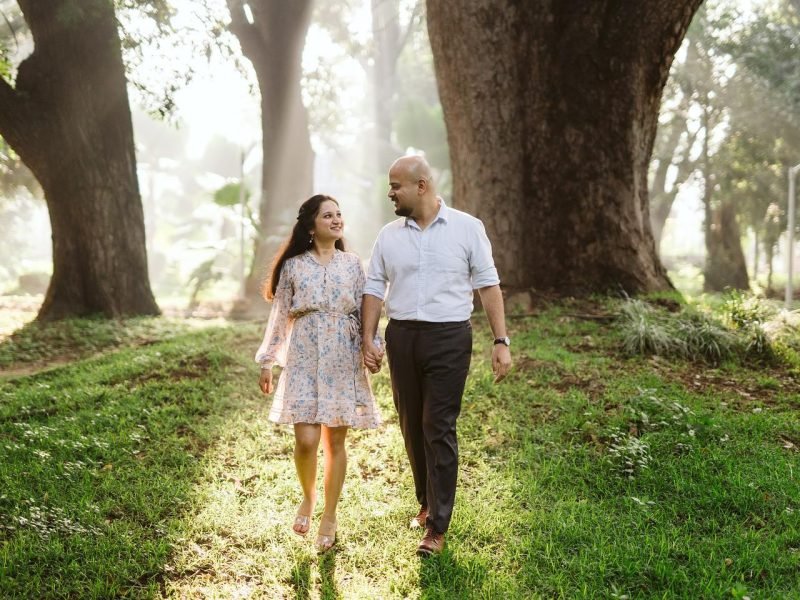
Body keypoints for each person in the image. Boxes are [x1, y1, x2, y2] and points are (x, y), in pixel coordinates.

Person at [361, 155, 512, 557]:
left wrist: (501, 341)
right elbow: (374, 287)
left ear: (421, 186)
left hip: (449, 338)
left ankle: (437, 527)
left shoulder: (467, 228)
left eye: (396, 186)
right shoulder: (389, 235)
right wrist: (368, 337)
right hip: (402, 336)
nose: (390, 192)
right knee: (412, 425)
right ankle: (425, 500)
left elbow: (489, 285)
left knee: (437, 425)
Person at [256, 193, 381, 553]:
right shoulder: (295, 266)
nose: (336, 220)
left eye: (339, 214)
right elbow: (280, 314)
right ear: (311, 225)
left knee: (335, 442)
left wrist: (373, 347)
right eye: (328, 215)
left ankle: (329, 515)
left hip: (342, 356)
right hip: (305, 357)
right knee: (307, 441)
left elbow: (365, 311)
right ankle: (308, 497)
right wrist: (268, 359)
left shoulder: (354, 264)